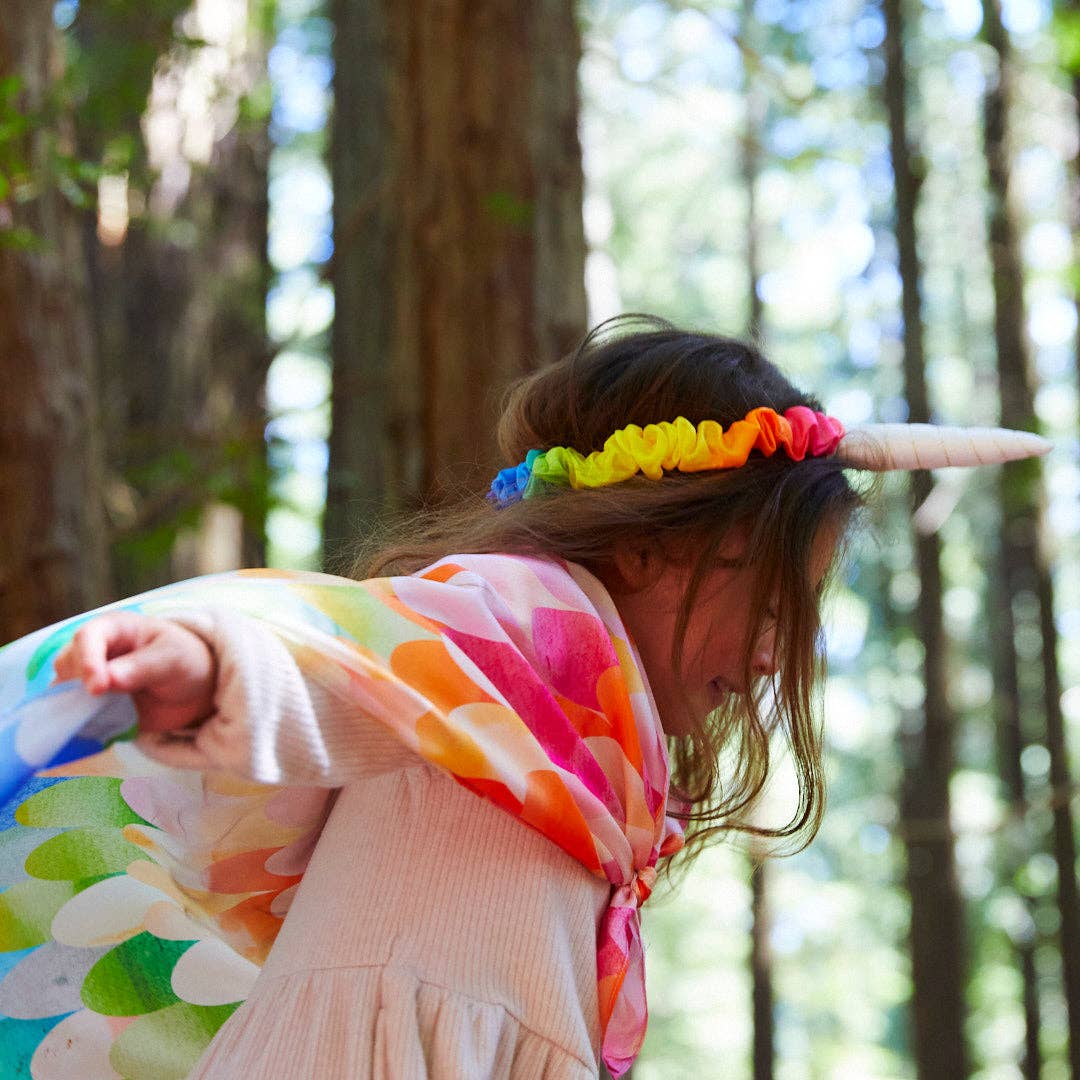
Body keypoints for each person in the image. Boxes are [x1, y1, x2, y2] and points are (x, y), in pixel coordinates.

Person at [0, 316, 1048, 1080]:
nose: (780, 661)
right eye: (776, 604)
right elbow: (345, 654)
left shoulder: (592, 756)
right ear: (653, 544)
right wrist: (210, 666)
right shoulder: (526, 622)